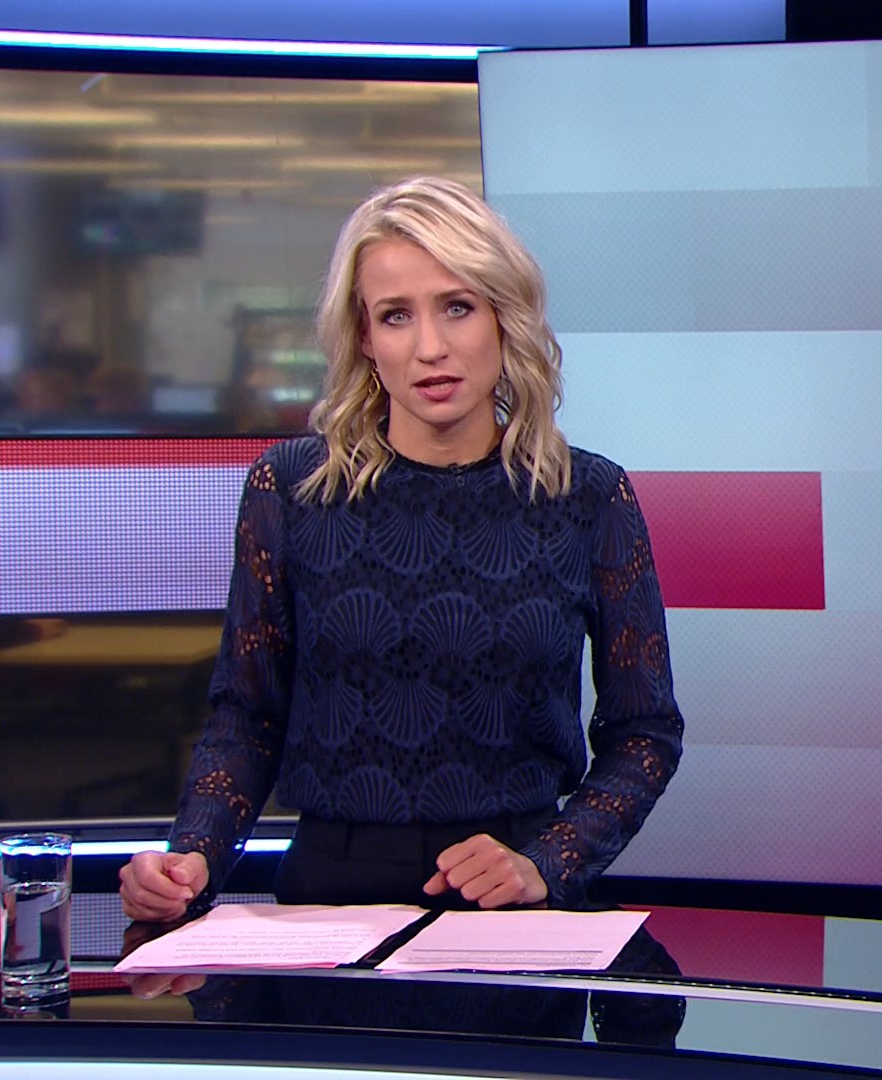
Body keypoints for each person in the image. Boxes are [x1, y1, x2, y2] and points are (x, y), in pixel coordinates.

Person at [118, 177, 683, 942]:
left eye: (457, 307)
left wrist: (547, 860)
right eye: (396, 315)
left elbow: (644, 731)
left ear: (503, 316)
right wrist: (193, 855)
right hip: (328, 898)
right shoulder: (291, 489)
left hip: (512, 901)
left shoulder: (587, 496)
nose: (430, 348)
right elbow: (248, 715)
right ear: (364, 338)